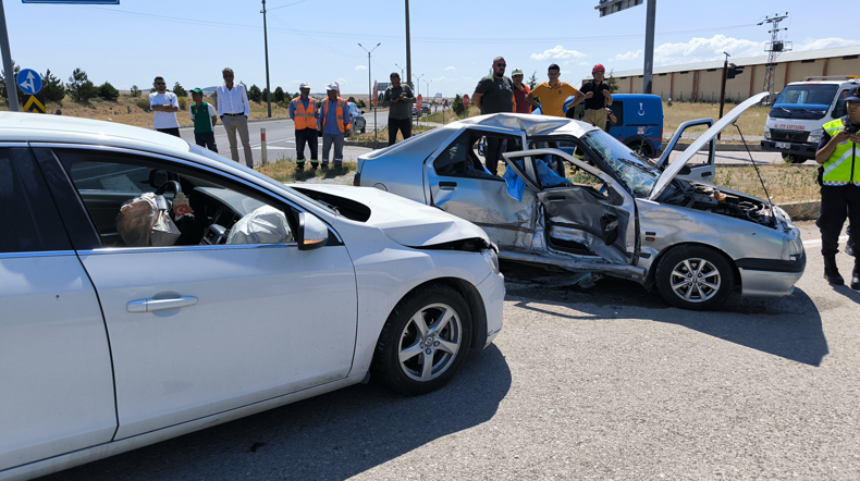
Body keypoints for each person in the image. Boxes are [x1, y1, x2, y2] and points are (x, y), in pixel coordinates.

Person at [815, 86, 860, 289]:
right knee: (830, 228)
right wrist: (834, 141)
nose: (852, 107)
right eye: (850, 103)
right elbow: (819, 158)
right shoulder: (832, 127)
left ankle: (858, 270)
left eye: (857, 104)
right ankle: (830, 267)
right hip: (834, 188)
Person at [472, 56, 514, 175]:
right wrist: (485, 110)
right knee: (492, 147)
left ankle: (494, 173)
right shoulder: (488, 81)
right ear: (493, 66)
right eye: (499, 65)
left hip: (505, 122)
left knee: (499, 148)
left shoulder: (508, 81)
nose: (502, 67)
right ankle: (490, 173)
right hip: (492, 122)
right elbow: (476, 97)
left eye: (504, 65)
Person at [217, 68, 254, 168]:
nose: (228, 78)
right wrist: (221, 116)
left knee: (245, 143)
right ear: (223, 77)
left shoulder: (240, 88)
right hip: (227, 118)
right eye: (226, 76)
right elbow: (219, 104)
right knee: (232, 144)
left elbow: (246, 102)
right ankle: (236, 167)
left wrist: (245, 115)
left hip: (240, 117)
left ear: (233, 76)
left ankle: (250, 167)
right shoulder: (220, 89)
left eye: (230, 75)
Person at [318, 83, 351, 169]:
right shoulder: (324, 102)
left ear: (335, 91)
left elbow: (346, 117)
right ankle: (324, 164)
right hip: (327, 130)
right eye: (327, 91)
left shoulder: (342, 102)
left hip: (339, 131)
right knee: (325, 150)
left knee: (338, 150)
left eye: (330, 91)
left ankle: (338, 165)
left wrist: (345, 129)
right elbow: (321, 117)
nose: (328, 92)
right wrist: (321, 128)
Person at [289, 82, 319, 171]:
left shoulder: (313, 101)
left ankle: (314, 165)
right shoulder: (294, 102)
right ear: (300, 90)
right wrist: (299, 122)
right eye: (305, 89)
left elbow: (316, 114)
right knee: (299, 149)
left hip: (312, 129)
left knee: (314, 148)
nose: (307, 91)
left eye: (308, 89)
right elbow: (291, 115)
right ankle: (300, 165)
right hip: (300, 130)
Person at [382, 72, 415, 145]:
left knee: (408, 141)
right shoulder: (388, 90)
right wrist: (392, 101)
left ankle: (408, 156)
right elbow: (383, 104)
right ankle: (392, 156)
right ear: (391, 81)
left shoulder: (406, 88)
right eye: (393, 83)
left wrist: (405, 99)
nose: (395, 85)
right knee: (391, 142)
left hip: (404, 119)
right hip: (393, 119)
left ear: (400, 80)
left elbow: (414, 99)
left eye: (397, 82)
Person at [579, 64, 613, 131]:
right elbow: (576, 100)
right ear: (593, 74)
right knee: (586, 135)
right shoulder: (586, 86)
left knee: (599, 136)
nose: (600, 75)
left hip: (601, 114)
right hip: (589, 114)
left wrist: (609, 96)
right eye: (598, 73)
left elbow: (610, 103)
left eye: (601, 73)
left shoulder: (606, 87)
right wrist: (585, 97)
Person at [189, 88, 218, 152]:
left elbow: (214, 118)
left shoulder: (208, 106)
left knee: (213, 151)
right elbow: (193, 119)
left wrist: (210, 127)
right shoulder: (192, 107)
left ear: (201, 96)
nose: (193, 96)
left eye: (196, 94)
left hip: (208, 132)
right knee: (200, 152)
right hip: (198, 133)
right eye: (193, 94)